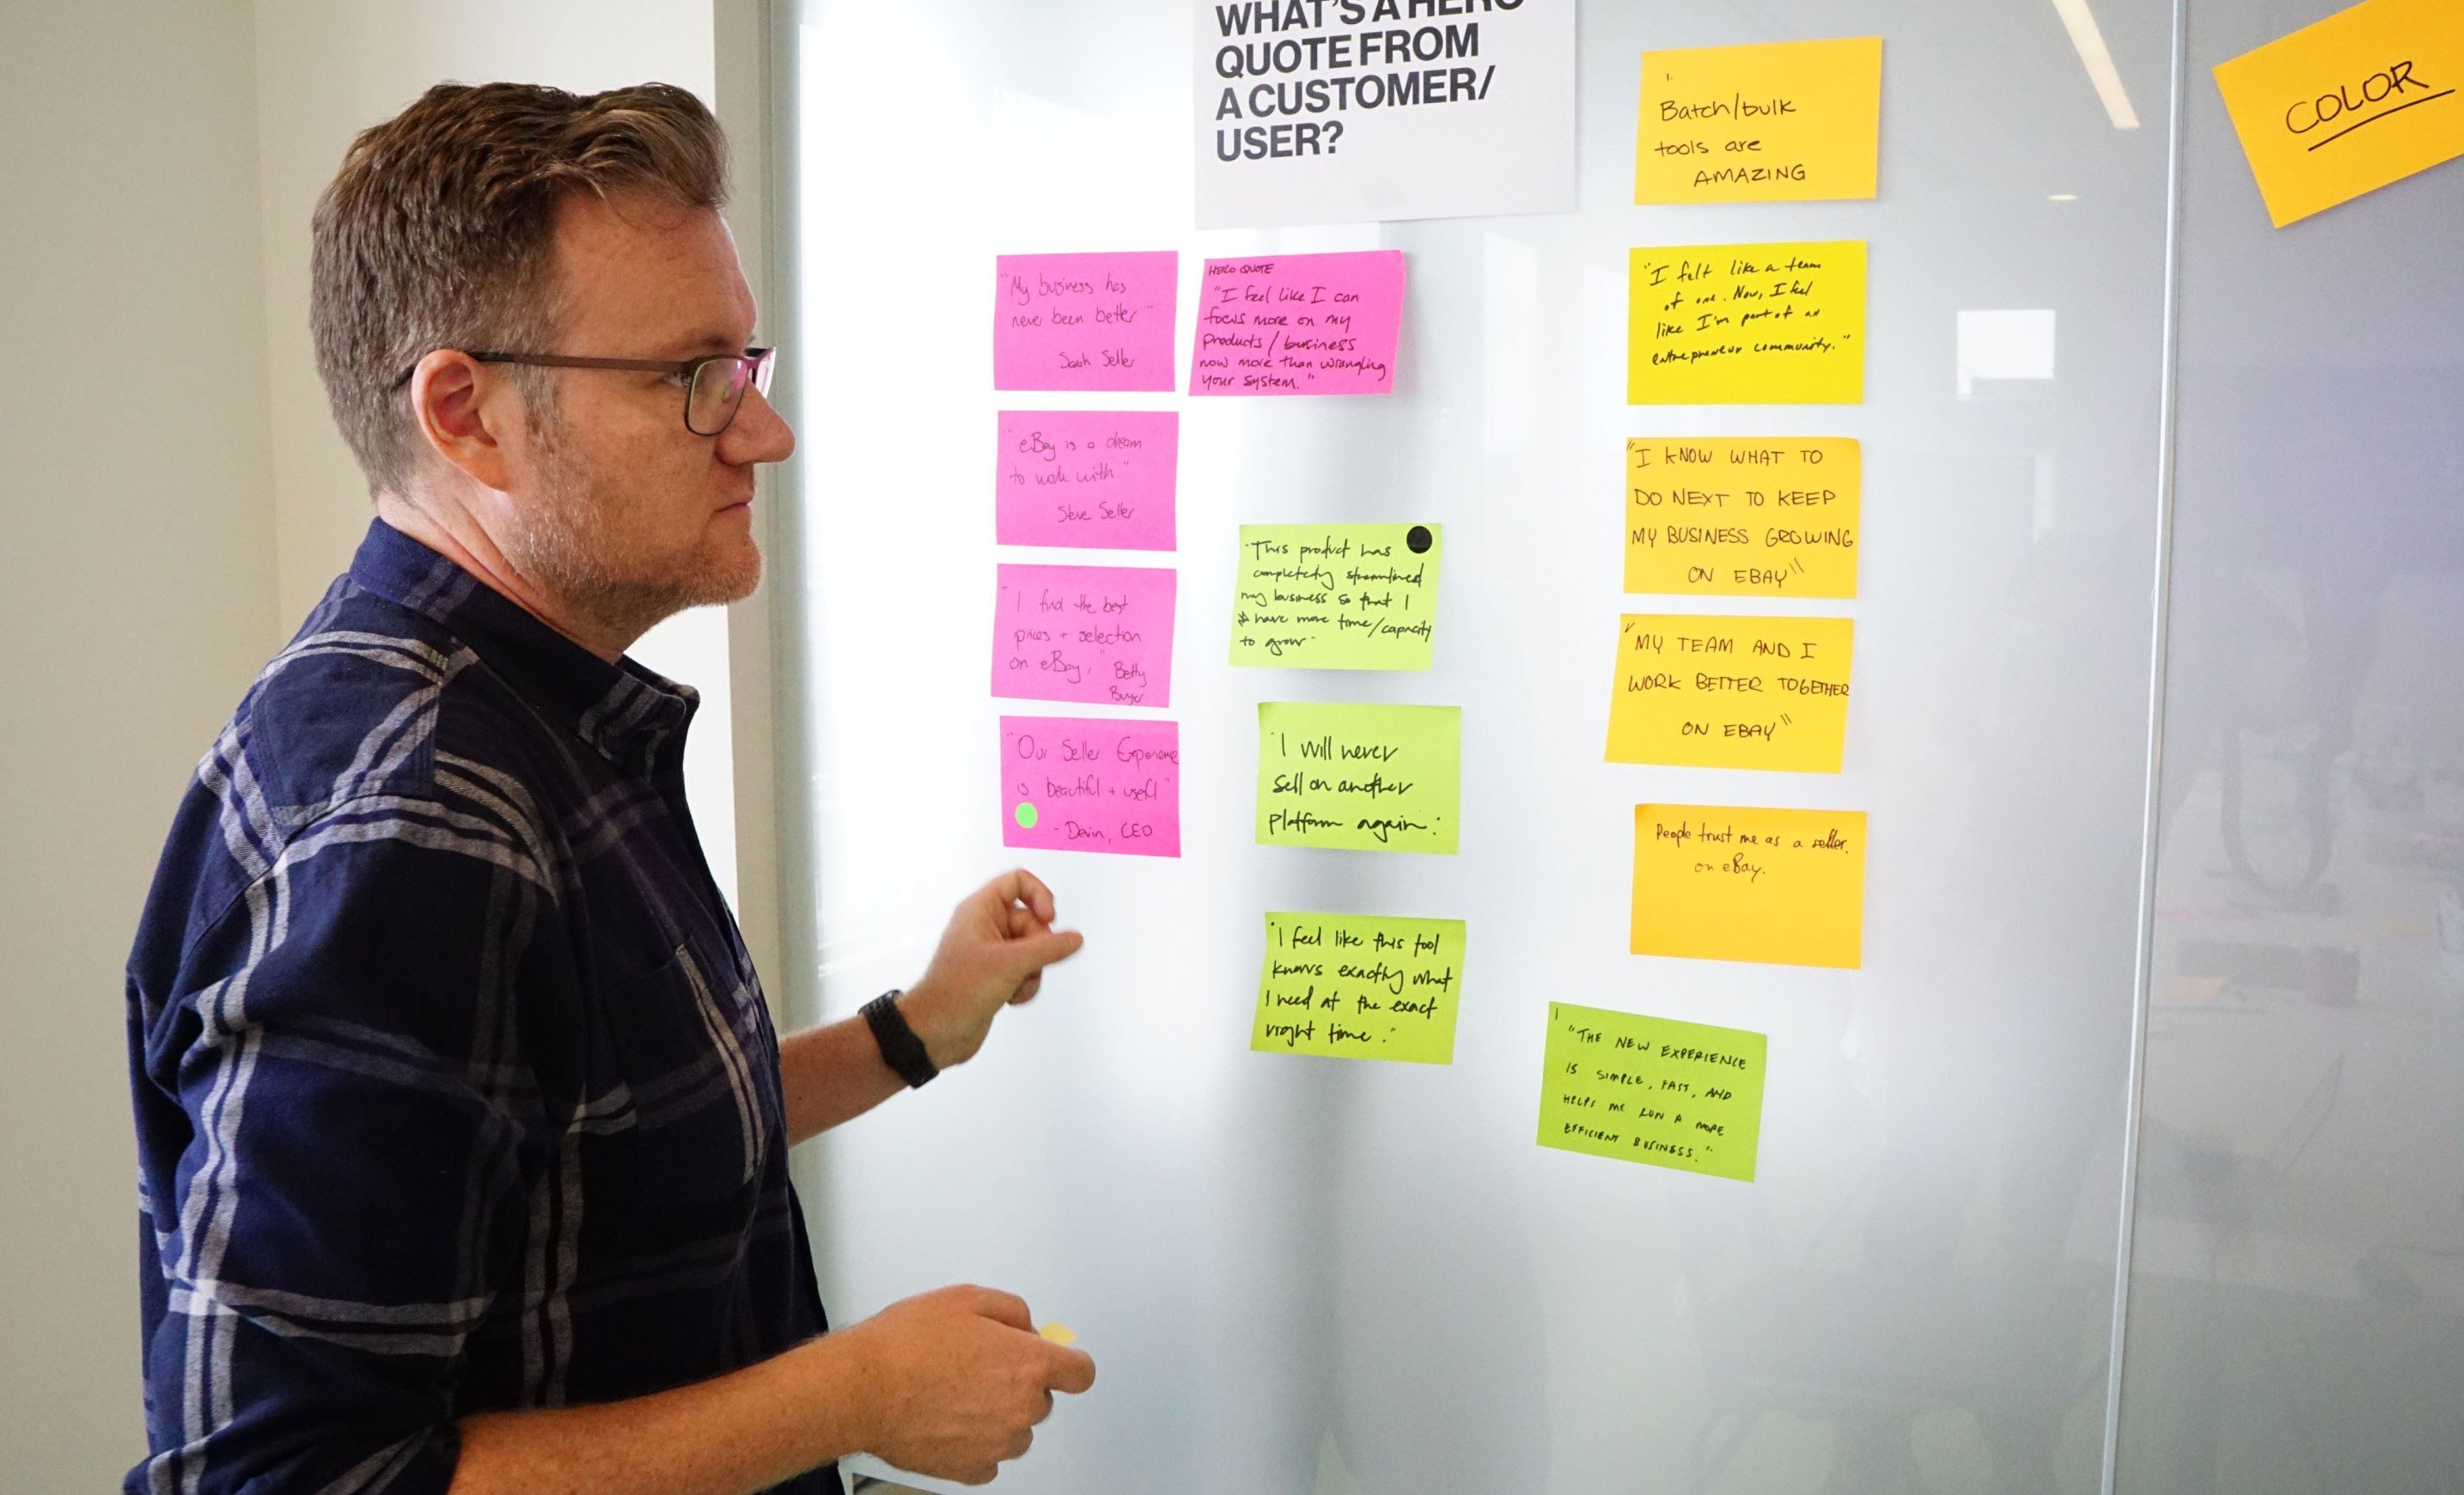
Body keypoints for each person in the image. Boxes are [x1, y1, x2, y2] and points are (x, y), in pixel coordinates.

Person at [122, 81, 1093, 1495]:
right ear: (467, 414)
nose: (762, 435)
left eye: (744, 366)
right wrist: (855, 1394)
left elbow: (596, 1149)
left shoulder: (536, 720)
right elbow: (285, 1478)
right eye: (693, 378)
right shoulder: (410, 824)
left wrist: (911, 1031)